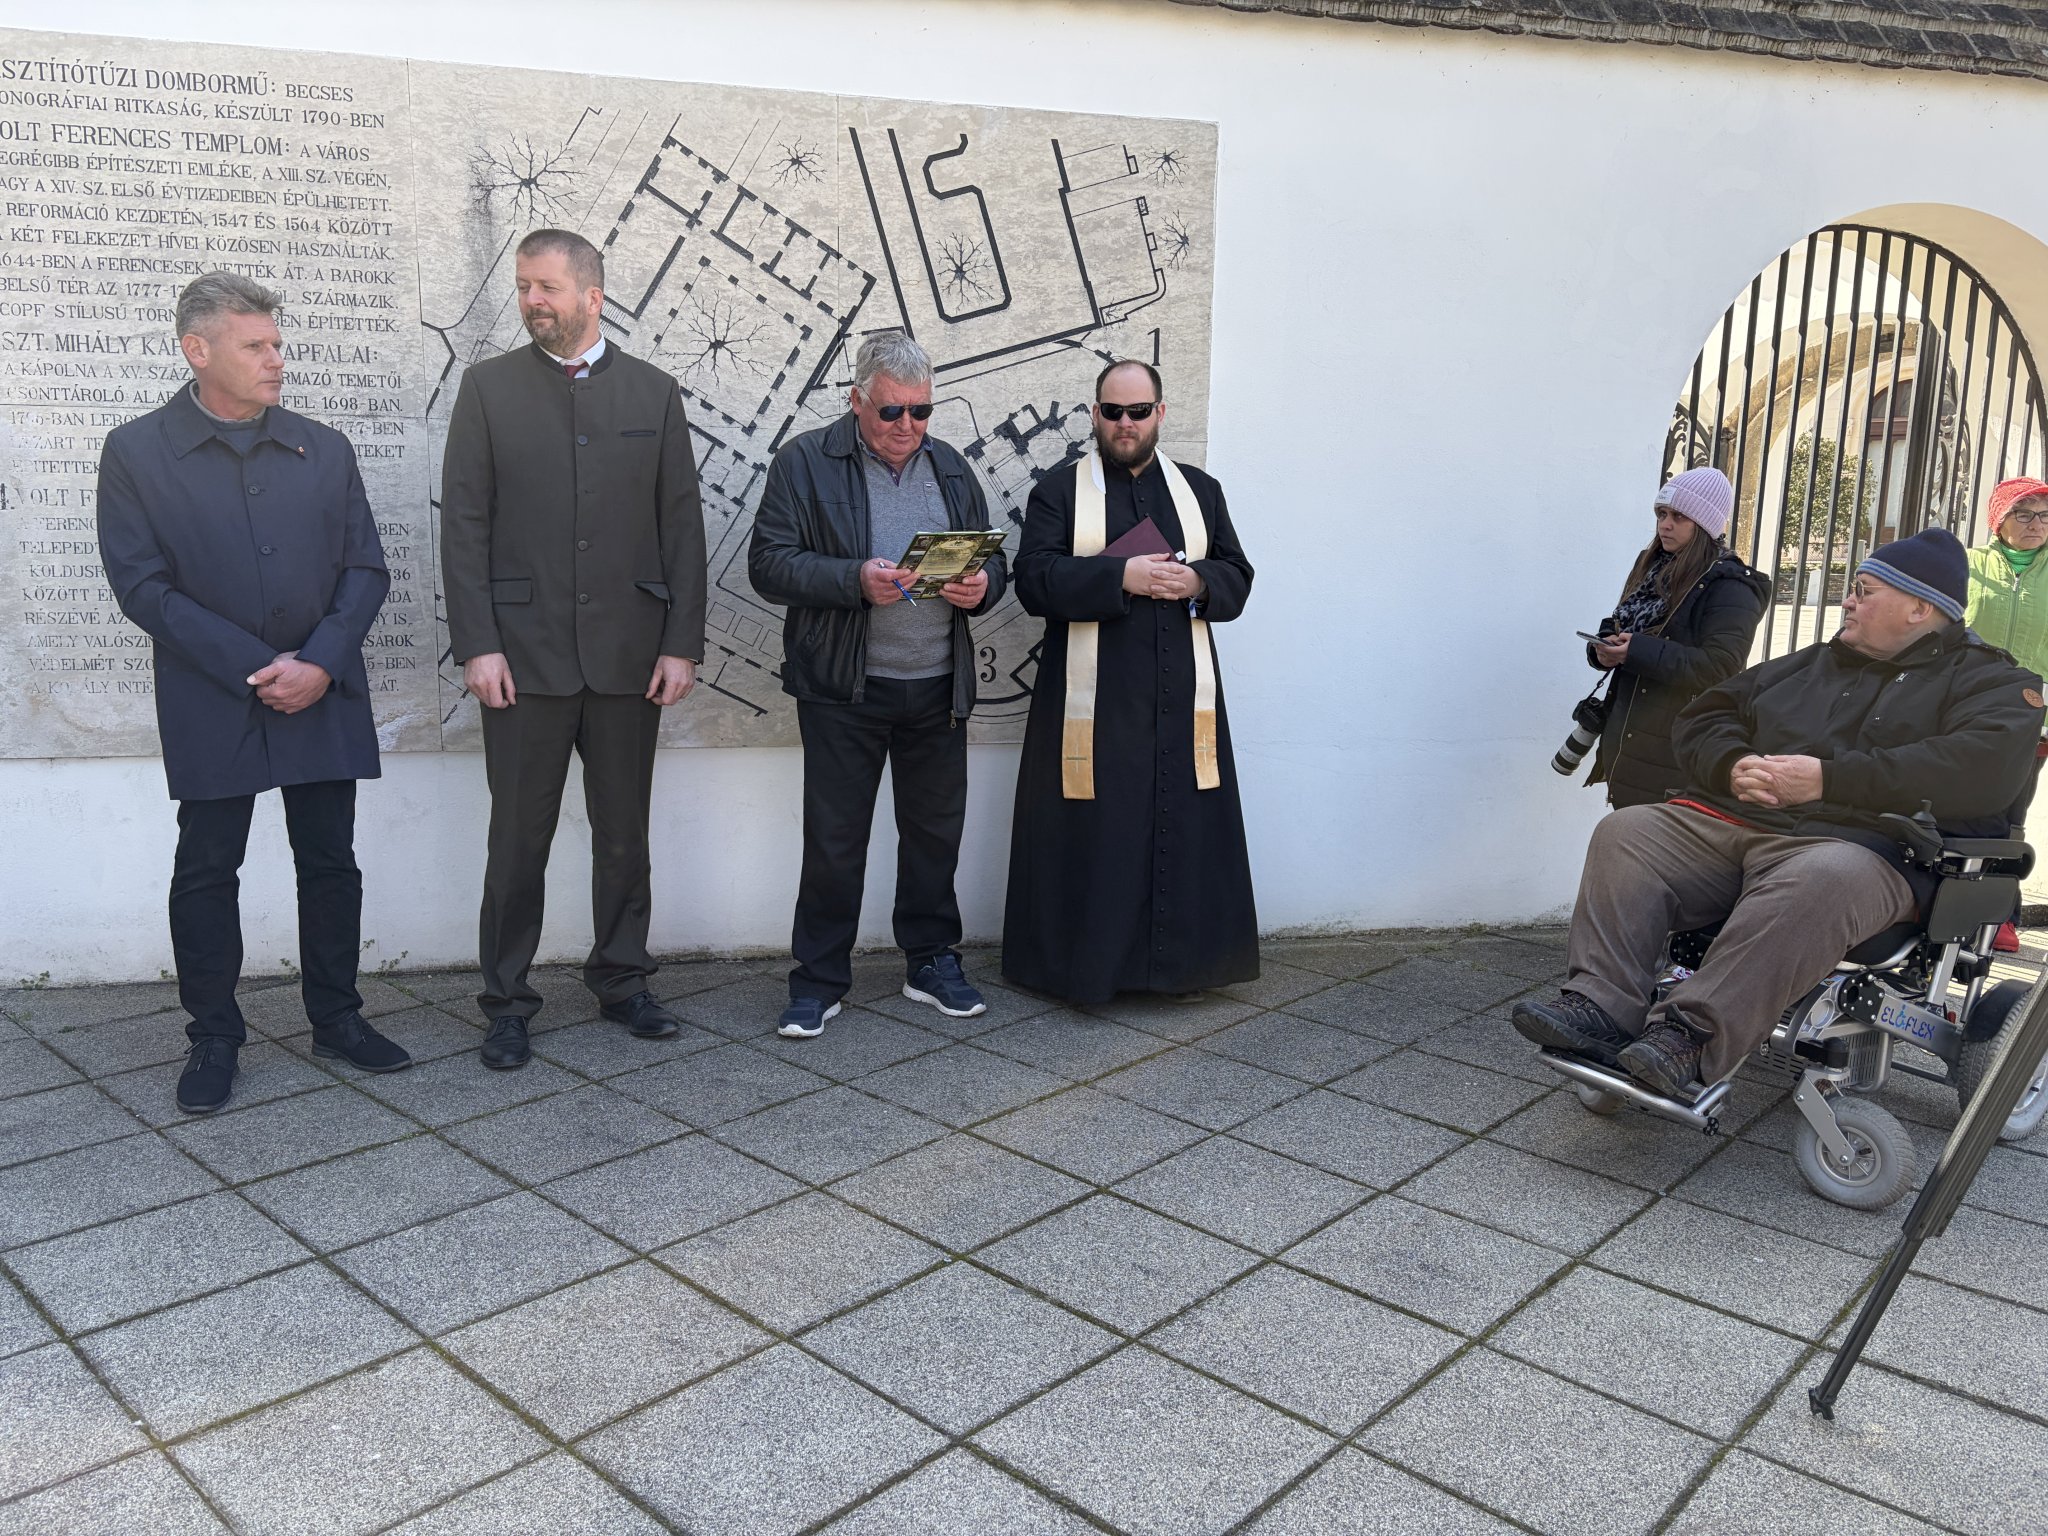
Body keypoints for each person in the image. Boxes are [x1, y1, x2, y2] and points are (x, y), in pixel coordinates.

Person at [1512, 527, 2042, 1096]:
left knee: (1822, 876)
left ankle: (1690, 1037)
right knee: (1629, 831)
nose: (1847, 602)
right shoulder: (1812, 663)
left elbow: (1978, 770)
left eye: (1864, 591)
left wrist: (1827, 779)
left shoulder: (1996, 683)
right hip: (1740, 824)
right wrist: (1731, 764)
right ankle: (1601, 1007)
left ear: (1919, 608)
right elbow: (1704, 716)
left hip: (1869, 849)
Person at [96, 272, 409, 1114]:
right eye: (256, 346)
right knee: (207, 866)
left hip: (321, 688)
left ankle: (337, 1018)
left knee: (330, 858)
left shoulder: (324, 447)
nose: (277, 359)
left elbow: (365, 569)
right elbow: (142, 586)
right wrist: (258, 666)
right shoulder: (136, 453)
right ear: (197, 350)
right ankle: (213, 1035)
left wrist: (320, 664)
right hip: (211, 693)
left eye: (277, 343)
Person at [440, 229, 708, 1069]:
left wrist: (681, 644)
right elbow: (464, 526)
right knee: (518, 840)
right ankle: (507, 1002)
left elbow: (681, 526)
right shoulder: (487, 390)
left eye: (546, 287)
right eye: (524, 286)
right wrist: (478, 644)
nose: (531, 301)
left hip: (631, 656)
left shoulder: (654, 393)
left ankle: (623, 981)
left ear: (593, 295)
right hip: (523, 660)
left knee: (624, 834)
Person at [748, 332, 1008, 1038]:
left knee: (933, 836)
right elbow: (768, 564)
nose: (907, 427)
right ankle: (818, 979)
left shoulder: (949, 466)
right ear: (856, 400)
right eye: (892, 411)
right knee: (835, 840)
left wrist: (982, 587)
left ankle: (931, 962)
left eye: (921, 411)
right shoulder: (805, 461)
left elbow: (992, 559)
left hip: (937, 686)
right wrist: (853, 580)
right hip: (844, 688)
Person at [1001, 360, 1258, 1004]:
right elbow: (1033, 581)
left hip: (1183, 702)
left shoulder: (1201, 491)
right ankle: (1090, 972)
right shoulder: (1058, 492)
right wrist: (1120, 576)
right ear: (1095, 415)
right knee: (1100, 833)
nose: (1125, 423)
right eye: (1112, 411)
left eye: (1138, 411)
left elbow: (1237, 574)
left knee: (1183, 825)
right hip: (1094, 706)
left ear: (1159, 414)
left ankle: (1183, 972)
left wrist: (1197, 580)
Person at [1583, 467, 1768, 808]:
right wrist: (1604, 649)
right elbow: (1622, 621)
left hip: (1673, 755)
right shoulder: (1652, 565)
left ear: (1704, 524)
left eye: (1679, 516)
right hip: (1627, 744)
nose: (1665, 525)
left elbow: (1721, 667)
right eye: (1661, 514)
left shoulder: (1732, 586)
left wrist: (1636, 651)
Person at [1966, 476, 2048, 952]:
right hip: (1965, 710)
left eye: (2044, 515)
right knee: (1954, 805)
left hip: (2032, 717)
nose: (2036, 523)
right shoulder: (1968, 565)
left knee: (2011, 814)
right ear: (1999, 520)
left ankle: (1999, 914)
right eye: (2024, 512)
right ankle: (1939, 903)